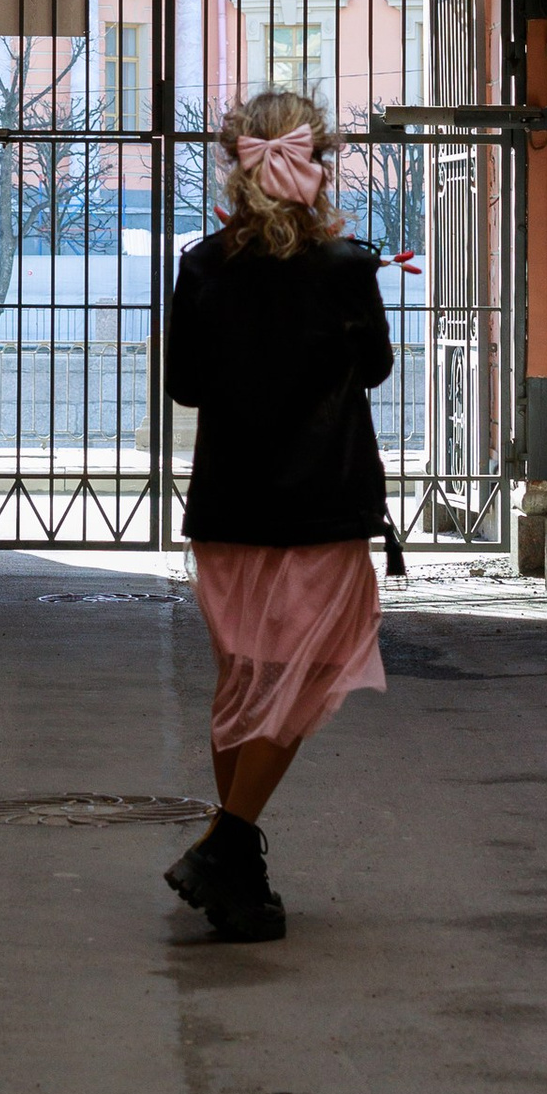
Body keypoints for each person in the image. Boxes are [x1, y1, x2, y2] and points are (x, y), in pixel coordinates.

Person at [162, 88, 395, 943]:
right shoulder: (343, 266)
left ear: (237, 164)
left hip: (228, 504)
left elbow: (184, 386)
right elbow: (375, 369)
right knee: (303, 677)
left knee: (245, 681)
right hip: (319, 504)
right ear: (314, 163)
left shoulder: (201, 263)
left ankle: (239, 879)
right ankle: (224, 848)